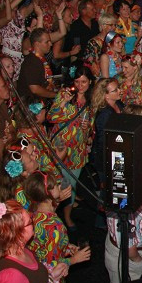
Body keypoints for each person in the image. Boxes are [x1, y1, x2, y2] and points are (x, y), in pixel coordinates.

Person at [47, 66, 95, 230]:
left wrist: (88, 127)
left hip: (78, 150)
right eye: (77, 81)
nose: (81, 86)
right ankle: (49, 216)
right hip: (60, 147)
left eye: (84, 82)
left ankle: (67, 217)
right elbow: (51, 117)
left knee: (71, 186)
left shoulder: (91, 100)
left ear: (90, 83)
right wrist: (63, 103)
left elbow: (91, 128)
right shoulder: (65, 94)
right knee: (55, 184)